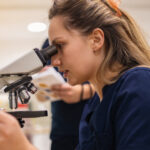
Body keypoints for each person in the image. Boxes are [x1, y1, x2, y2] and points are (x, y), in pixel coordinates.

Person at [0, 0, 150, 150]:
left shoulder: (138, 84)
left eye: (60, 46)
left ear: (96, 39)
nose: (55, 62)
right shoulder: (95, 103)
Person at [36, 39, 95, 150]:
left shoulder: (88, 39)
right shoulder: (48, 43)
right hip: (61, 130)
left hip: (90, 128)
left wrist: (81, 92)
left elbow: (108, 83)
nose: (55, 62)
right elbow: (40, 96)